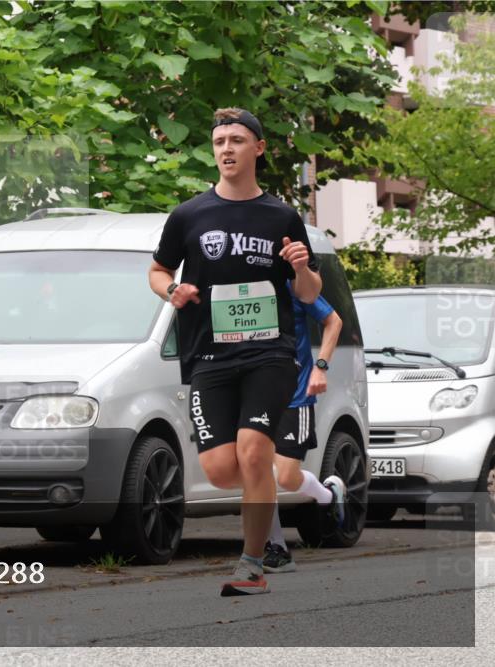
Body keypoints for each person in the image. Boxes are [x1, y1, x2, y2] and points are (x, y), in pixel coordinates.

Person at [149, 108, 322, 596]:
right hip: (209, 356)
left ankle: (252, 564)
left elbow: (308, 294)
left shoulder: (282, 216)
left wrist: (302, 266)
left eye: (238, 140)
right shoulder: (188, 215)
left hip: (270, 353)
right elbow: (158, 272)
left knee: (251, 449)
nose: (226, 149)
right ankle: (262, 478)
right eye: (220, 140)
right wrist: (172, 292)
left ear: (259, 149)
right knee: (223, 470)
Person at [263, 283, 347, 574]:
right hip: (254, 399)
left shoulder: (294, 287)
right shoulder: (236, 287)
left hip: (294, 398)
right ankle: (276, 548)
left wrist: (320, 367)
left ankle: (328, 495)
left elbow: (334, 321)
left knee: (286, 477)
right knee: (257, 471)